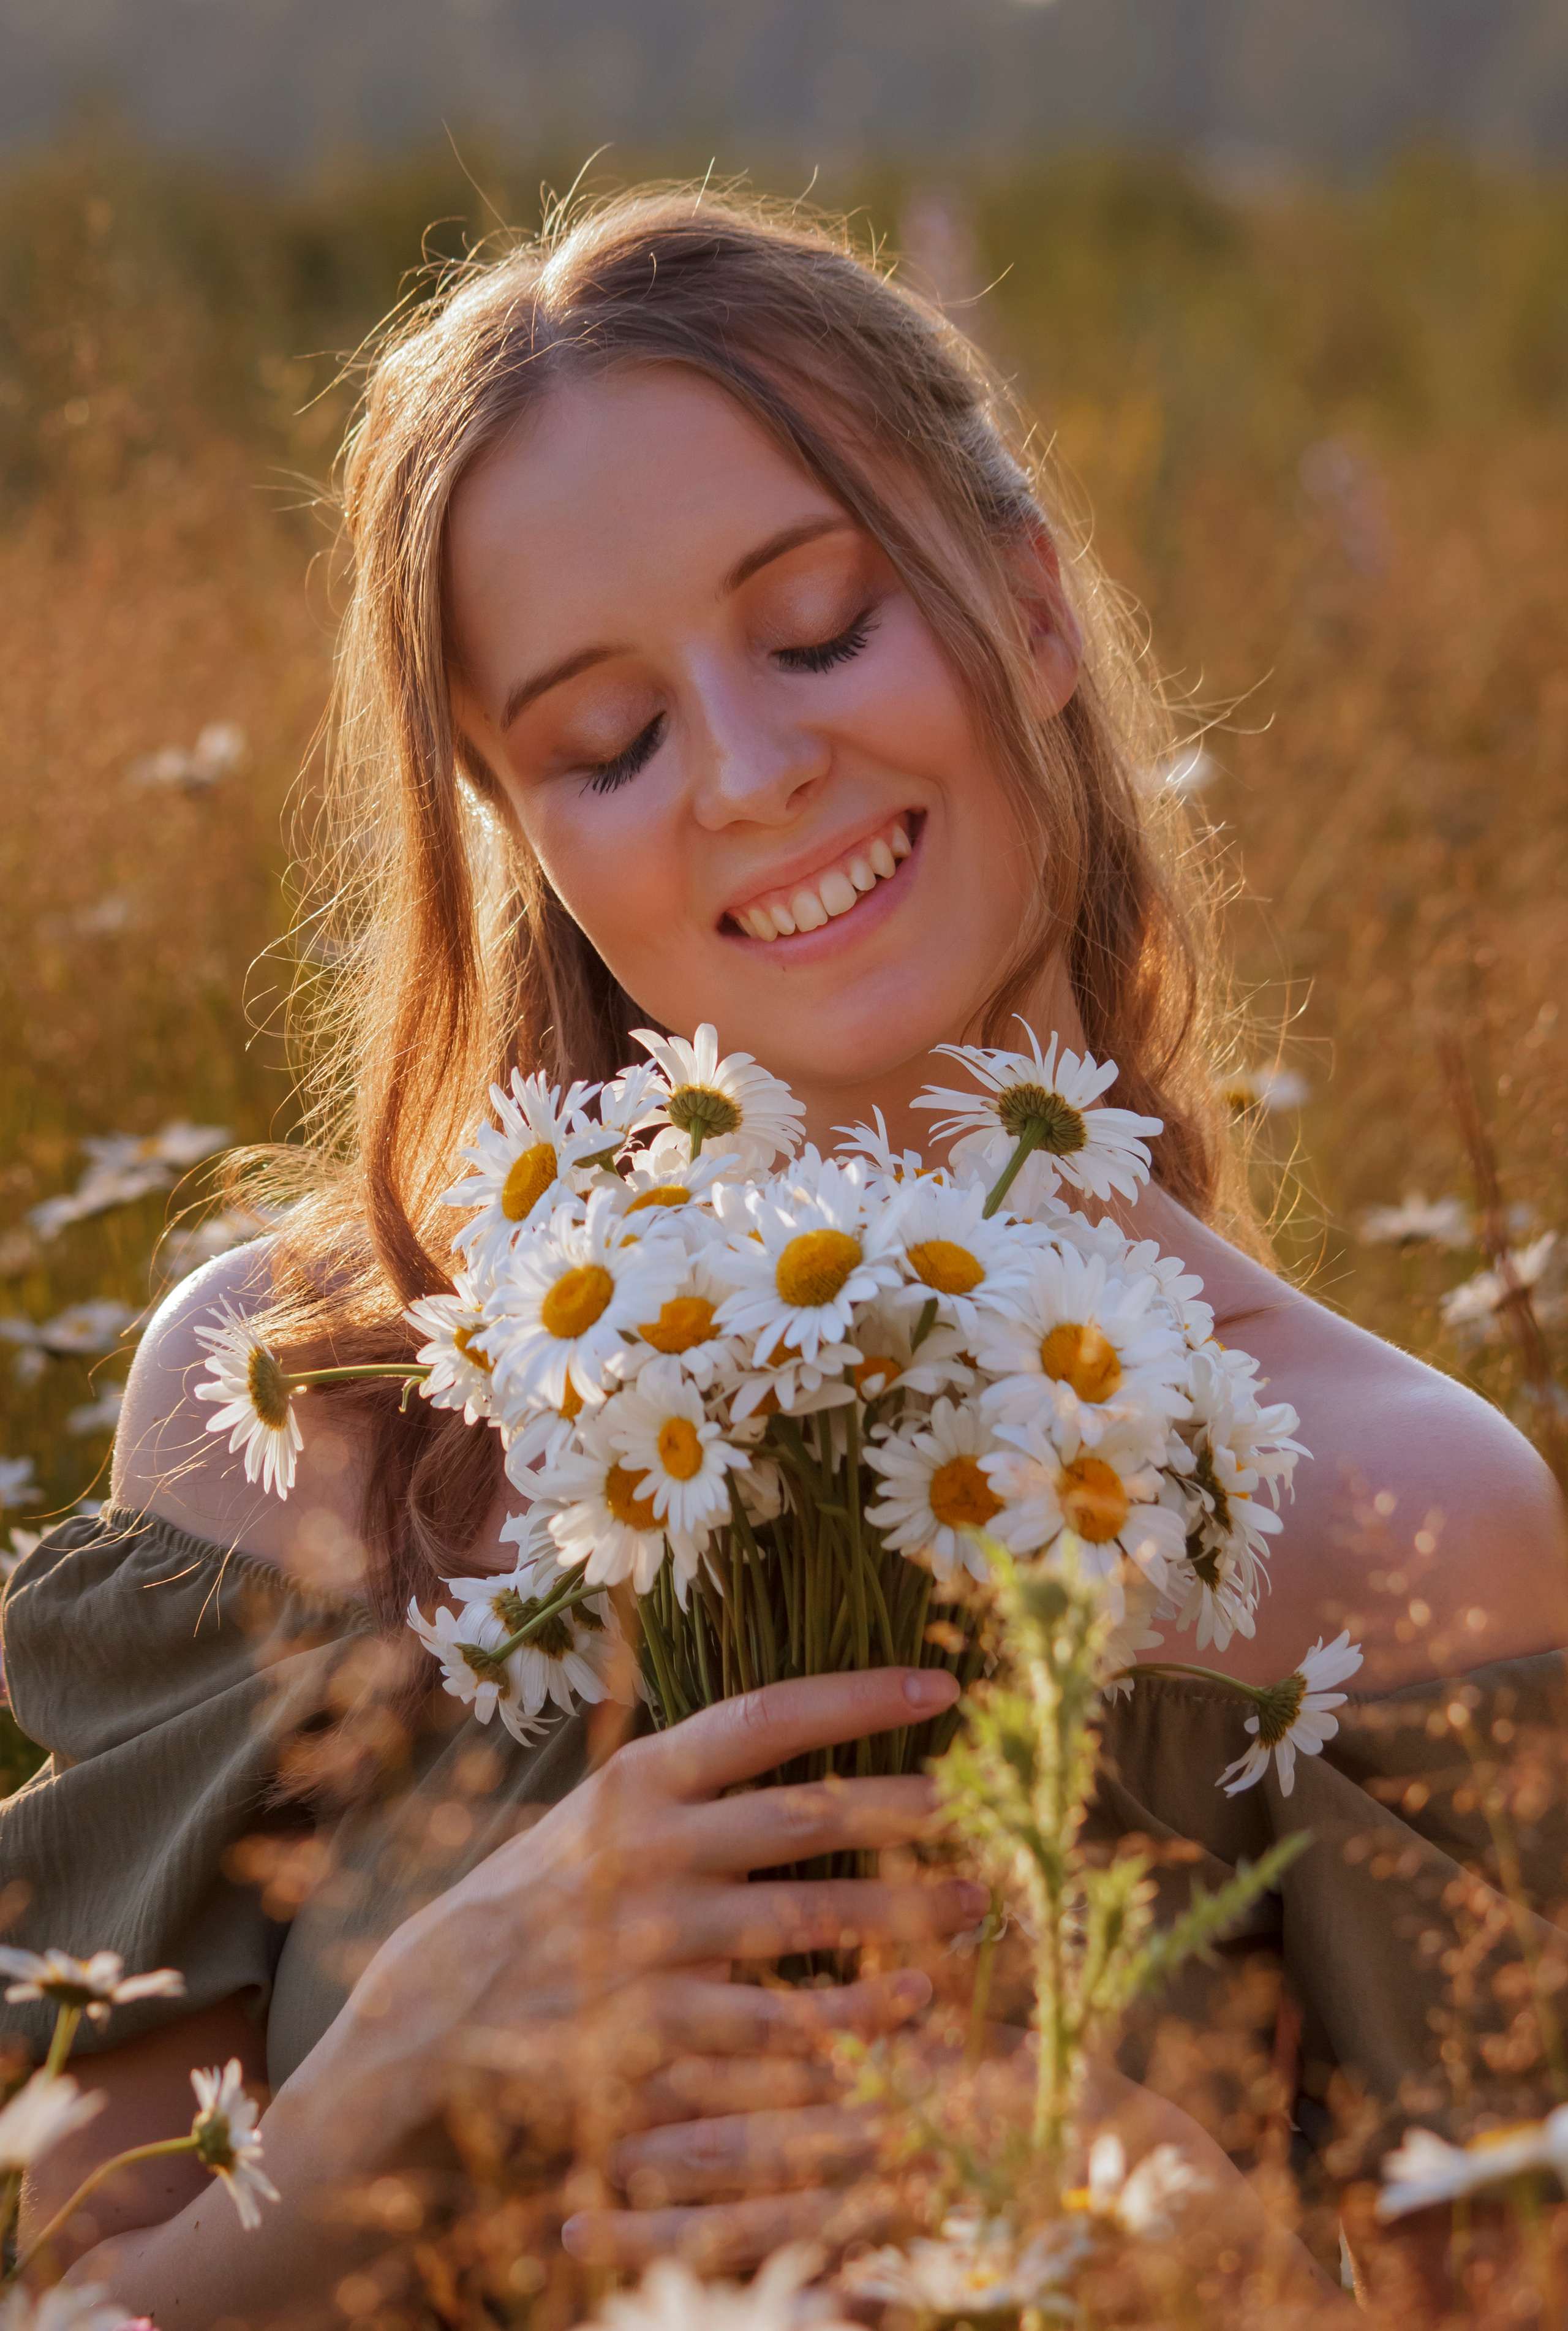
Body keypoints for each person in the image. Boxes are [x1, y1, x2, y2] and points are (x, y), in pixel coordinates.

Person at [3, 191, 1563, 2325]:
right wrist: (400, 2088)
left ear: (1029, 609)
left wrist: (1166, 2230)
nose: (752, 775)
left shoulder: (1419, 1519)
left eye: (821, 625)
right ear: (519, 831)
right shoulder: (305, 1414)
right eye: (606, 742)